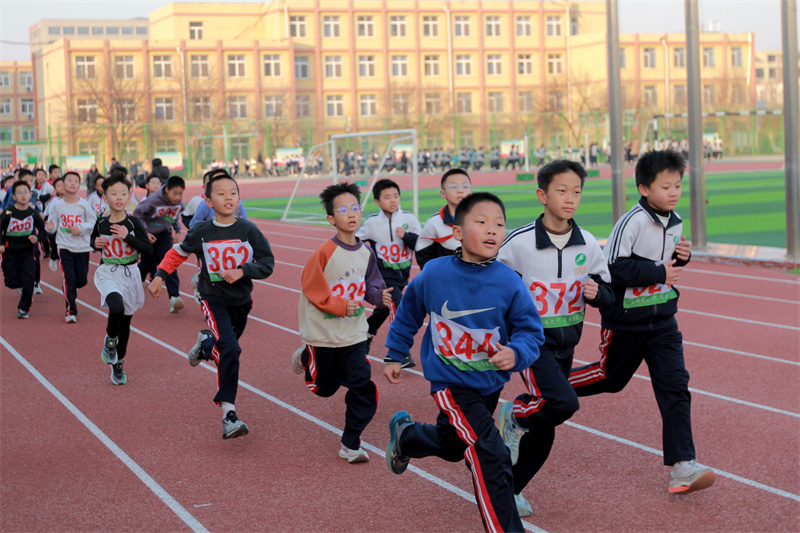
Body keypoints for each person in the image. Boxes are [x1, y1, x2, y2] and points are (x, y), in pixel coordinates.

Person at [383, 191, 544, 533]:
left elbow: (531, 332)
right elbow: (408, 314)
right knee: (490, 451)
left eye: (499, 224)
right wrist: (396, 352)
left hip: (488, 384)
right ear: (457, 232)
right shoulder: (434, 274)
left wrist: (516, 353)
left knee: (453, 444)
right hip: (450, 383)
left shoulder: (509, 282)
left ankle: (407, 437)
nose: (492, 230)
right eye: (481, 222)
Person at [568, 150, 716, 495]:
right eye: (666, 186)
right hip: (626, 322)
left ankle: (683, 466)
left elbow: (664, 267)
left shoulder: (675, 220)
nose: (674, 192)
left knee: (676, 386)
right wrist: (659, 270)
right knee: (609, 379)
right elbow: (613, 269)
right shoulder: (631, 221)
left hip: (663, 320)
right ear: (644, 188)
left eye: (678, 185)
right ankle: (550, 389)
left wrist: (682, 258)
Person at [496, 160, 614, 516]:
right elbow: (497, 291)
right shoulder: (518, 244)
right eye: (561, 191)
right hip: (531, 343)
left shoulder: (589, 243)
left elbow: (608, 291)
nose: (570, 198)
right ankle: (513, 415)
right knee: (564, 403)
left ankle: (510, 490)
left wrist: (599, 293)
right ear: (542, 195)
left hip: (567, 343)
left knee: (547, 425)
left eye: (576, 191)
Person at [149, 172, 275, 439]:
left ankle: (205, 345)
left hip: (241, 300)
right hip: (212, 298)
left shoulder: (248, 230)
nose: (228, 197)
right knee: (230, 348)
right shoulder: (202, 233)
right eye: (221, 193)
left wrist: (243, 271)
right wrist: (160, 276)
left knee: (224, 348)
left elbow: (267, 264)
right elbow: (177, 253)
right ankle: (229, 413)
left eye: (233, 193)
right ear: (207, 201)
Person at [291, 182, 393, 463]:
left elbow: (372, 284)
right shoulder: (324, 252)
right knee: (324, 389)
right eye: (343, 209)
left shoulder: (366, 252)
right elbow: (311, 288)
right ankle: (306, 356)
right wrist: (339, 305)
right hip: (322, 334)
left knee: (363, 387)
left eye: (356, 208)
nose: (351, 214)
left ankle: (350, 443)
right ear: (331, 219)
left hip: (354, 335)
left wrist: (378, 297)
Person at [90, 170, 153, 385]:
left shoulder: (134, 223)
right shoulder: (101, 223)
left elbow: (148, 250)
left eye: (123, 194)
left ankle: (119, 363)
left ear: (129, 197)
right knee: (115, 307)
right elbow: (93, 241)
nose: (118, 198)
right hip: (108, 272)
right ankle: (110, 342)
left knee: (125, 323)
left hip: (131, 274)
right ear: (105, 197)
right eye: (113, 194)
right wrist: (95, 244)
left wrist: (128, 237)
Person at [355, 179, 422, 368]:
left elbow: (422, 245)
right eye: (387, 197)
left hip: (402, 275)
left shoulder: (409, 219)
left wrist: (406, 236)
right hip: (382, 277)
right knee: (399, 305)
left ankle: (365, 335)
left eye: (395, 196)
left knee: (385, 308)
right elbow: (354, 242)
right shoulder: (372, 223)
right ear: (377, 202)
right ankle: (400, 352)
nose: (393, 200)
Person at [45, 171, 95, 323]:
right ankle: (70, 310)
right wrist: (50, 227)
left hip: (81, 247)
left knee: (81, 280)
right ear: (62, 184)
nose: (73, 183)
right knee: (69, 277)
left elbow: (92, 223)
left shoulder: (84, 204)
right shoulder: (57, 205)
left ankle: (69, 286)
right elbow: (53, 226)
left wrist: (80, 227)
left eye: (76, 181)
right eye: (69, 181)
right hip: (64, 245)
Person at [133, 175, 185, 313]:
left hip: (164, 236)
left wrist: (178, 231)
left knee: (169, 263)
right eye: (175, 193)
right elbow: (137, 215)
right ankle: (131, 290)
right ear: (167, 190)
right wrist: (145, 232)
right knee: (145, 265)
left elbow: (174, 217)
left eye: (180, 194)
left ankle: (174, 298)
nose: (177, 197)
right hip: (148, 235)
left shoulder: (179, 203)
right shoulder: (153, 200)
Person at [0, 180, 46, 318]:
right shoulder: (8, 213)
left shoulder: (33, 214)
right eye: (19, 193)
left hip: (27, 251)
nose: (23, 196)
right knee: (11, 282)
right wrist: (1, 243)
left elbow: (43, 232)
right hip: (10, 251)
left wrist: (36, 238)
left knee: (29, 280)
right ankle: (19, 283)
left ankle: (23, 308)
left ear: (30, 194)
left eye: (25, 192)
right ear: (14, 197)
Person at [415, 168, 471, 270]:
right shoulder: (434, 223)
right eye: (453, 186)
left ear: (471, 191)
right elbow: (422, 251)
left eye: (465, 186)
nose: (460, 190)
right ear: (443, 193)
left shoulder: (480, 220)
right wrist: (433, 275)